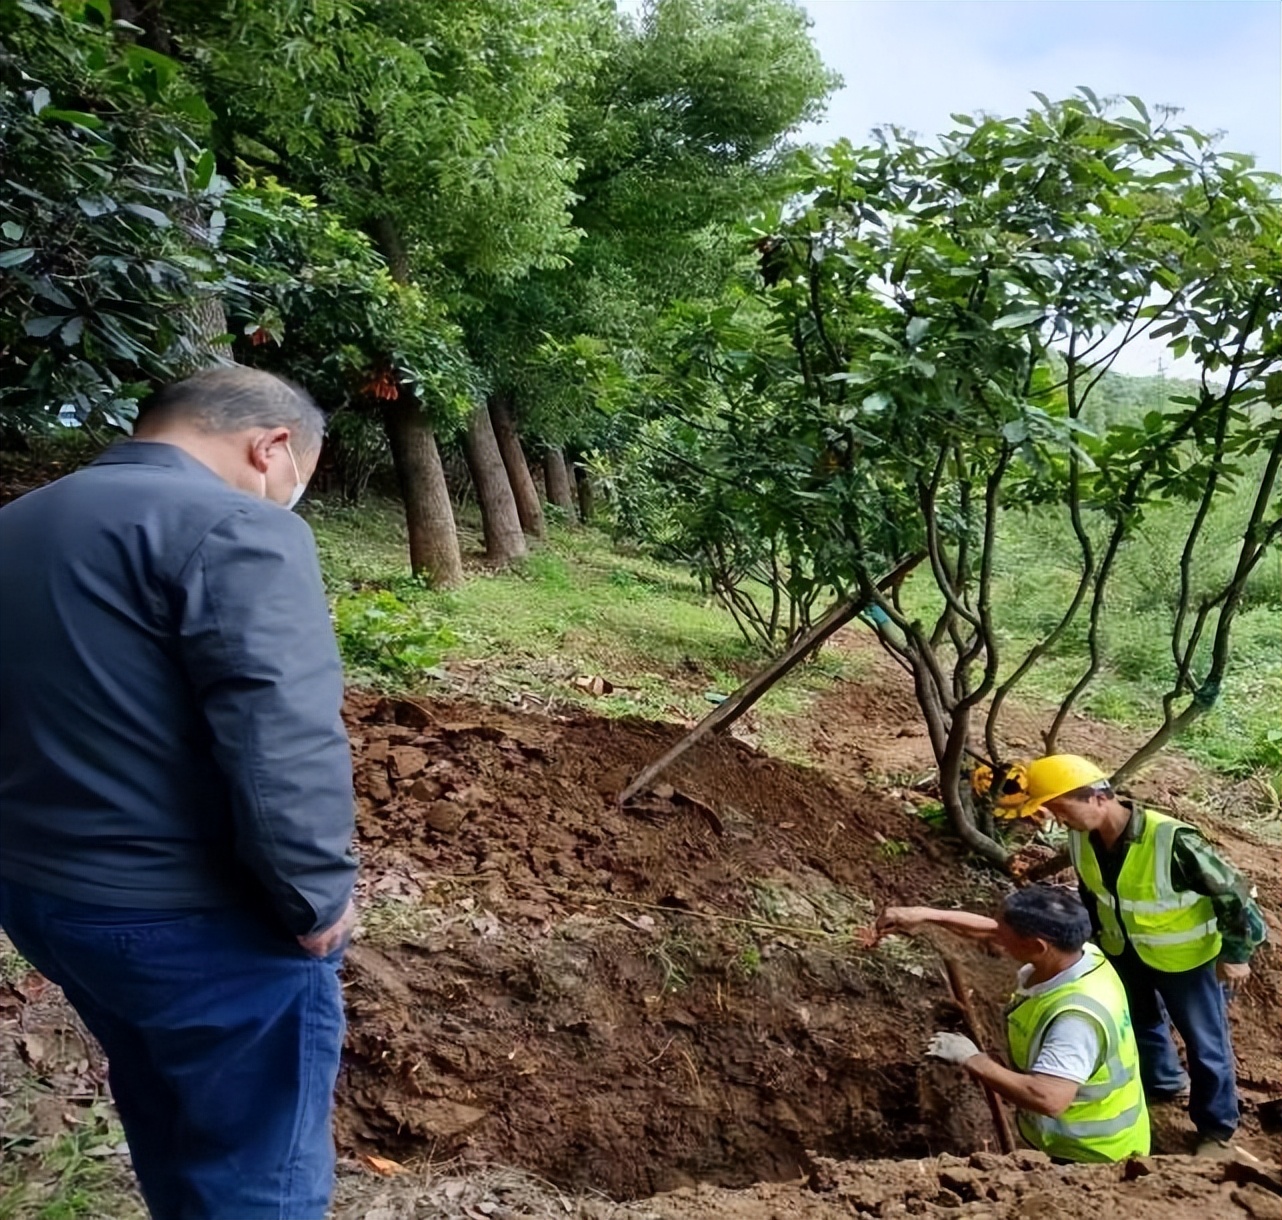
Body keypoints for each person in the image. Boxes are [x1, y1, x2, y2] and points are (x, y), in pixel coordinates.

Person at [0, 367, 358, 1219]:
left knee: (168, 1108)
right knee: (257, 1166)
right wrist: (316, 901)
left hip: (43, 893)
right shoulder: (233, 525)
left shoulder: (19, 521)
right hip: (189, 915)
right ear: (271, 446)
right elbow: (281, 731)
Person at [1015, 754, 1267, 1158]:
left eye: (1064, 810)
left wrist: (1238, 953)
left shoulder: (1172, 840)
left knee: (1206, 1044)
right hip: (1123, 950)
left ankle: (1216, 1129)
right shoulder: (1083, 838)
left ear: (1098, 798)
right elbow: (1092, 893)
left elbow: (1235, 896)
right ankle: (1164, 1082)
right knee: (1141, 1024)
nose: (1062, 821)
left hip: (1186, 960)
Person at [876, 885, 1150, 1164]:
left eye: (1006, 936)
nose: (997, 939)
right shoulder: (1080, 953)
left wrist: (973, 1059)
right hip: (1078, 1136)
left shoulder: (1075, 1020)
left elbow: (1049, 1098)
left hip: (1089, 1154)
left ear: (1037, 946)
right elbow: (992, 930)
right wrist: (924, 915)